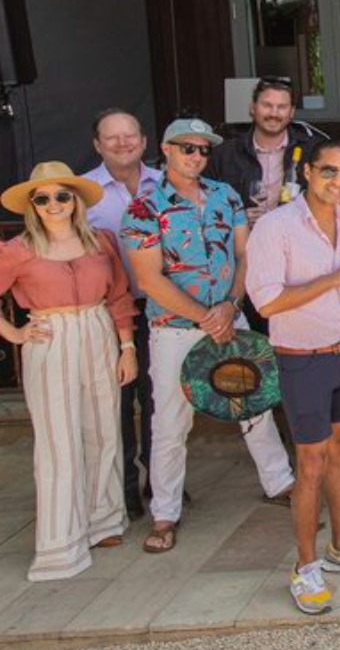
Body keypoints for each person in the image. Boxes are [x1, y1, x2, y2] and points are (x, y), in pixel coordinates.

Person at [122, 118, 296, 554]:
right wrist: (206, 316)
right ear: (165, 149)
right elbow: (149, 280)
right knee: (169, 423)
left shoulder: (225, 196)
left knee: (252, 405)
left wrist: (230, 306)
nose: (196, 156)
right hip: (174, 330)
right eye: (187, 148)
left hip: (228, 318)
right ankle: (165, 512)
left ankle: (280, 482)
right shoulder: (144, 208)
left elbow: (243, 255)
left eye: (203, 149)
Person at [245, 141, 340, 613]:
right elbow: (266, 302)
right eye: (329, 171)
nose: (339, 182)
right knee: (309, 462)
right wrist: (334, 278)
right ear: (308, 172)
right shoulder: (275, 227)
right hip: (302, 358)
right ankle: (304, 568)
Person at [0, 163, 136, 581]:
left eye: (62, 195)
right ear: (32, 206)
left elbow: (118, 295)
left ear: (75, 200)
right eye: (42, 198)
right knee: (58, 438)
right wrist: (14, 333)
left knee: (102, 429)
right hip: (50, 333)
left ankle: (105, 520)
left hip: (98, 329)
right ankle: (61, 541)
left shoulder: (101, 241)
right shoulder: (18, 249)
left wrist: (127, 346)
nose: (54, 204)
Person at [83, 108, 163, 520]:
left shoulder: (165, 184)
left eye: (129, 136)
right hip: (111, 314)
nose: (122, 143)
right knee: (116, 403)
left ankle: (160, 483)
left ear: (144, 141)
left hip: (163, 310)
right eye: (111, 138)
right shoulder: (82, 194)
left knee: (159, 403)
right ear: (97, 144)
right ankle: (124, 490)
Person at [206, 75, 329, 230]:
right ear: (253, 108)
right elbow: (203, 205)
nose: (274, 113)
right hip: (244, 244)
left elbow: (327, 200)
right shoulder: (224, 154)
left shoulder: (313, 151)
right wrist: (237, 218)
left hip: (296, 241)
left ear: (291, 112)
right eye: (267, 105)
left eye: (282, 107)